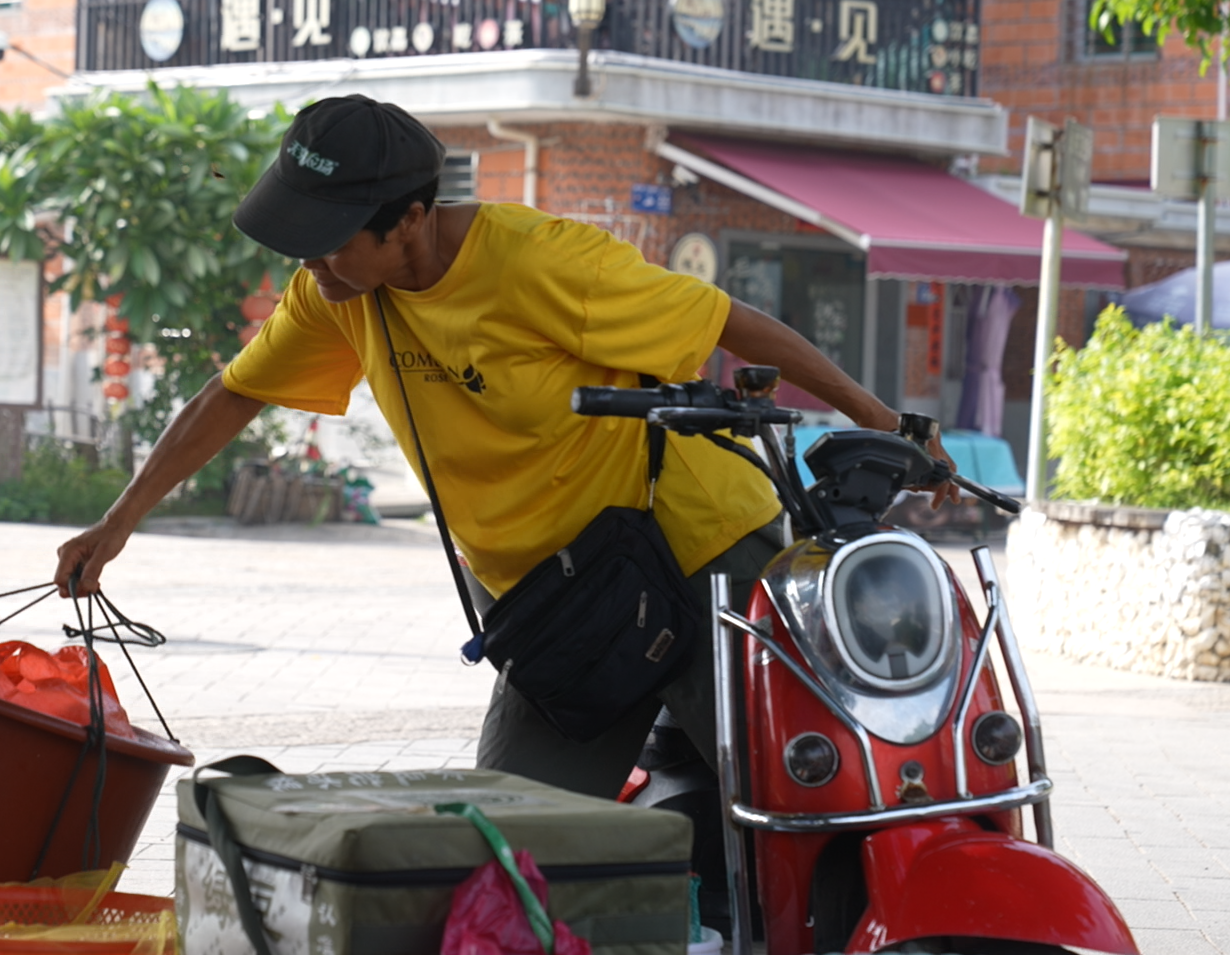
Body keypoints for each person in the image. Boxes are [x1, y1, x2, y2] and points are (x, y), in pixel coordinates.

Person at [53, 96, 955, 798]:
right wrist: (119, 521)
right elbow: (233, 393)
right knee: (512, 844)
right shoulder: (337, 293)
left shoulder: (542, 262)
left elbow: (734, 324)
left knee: (800, 790)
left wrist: (882, 421)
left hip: (699, 553)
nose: (312, 268)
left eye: (328, 244)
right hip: (558, 603)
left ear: (408, 219)